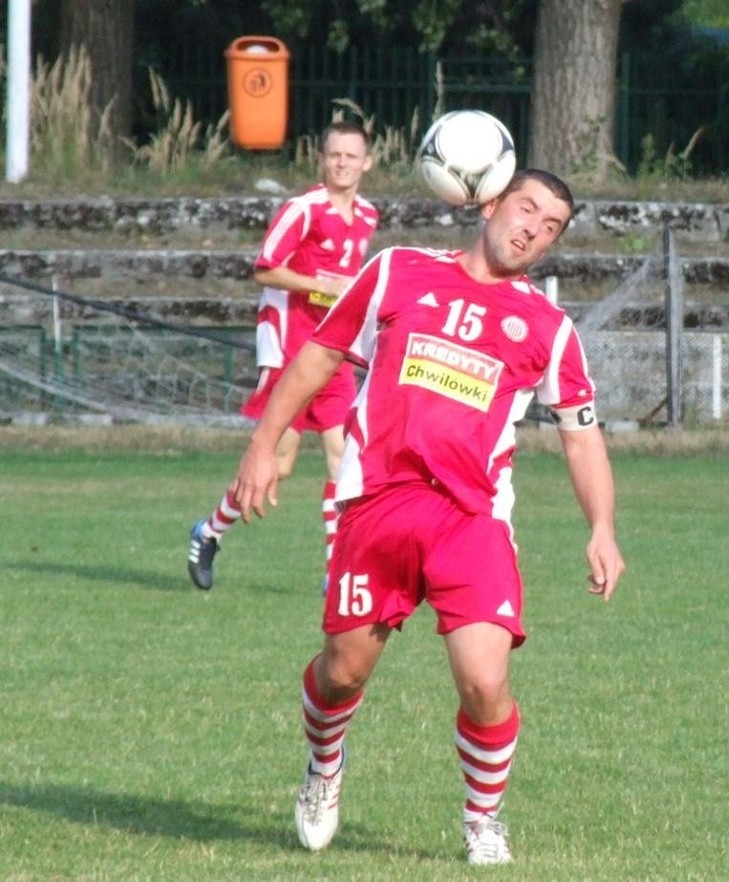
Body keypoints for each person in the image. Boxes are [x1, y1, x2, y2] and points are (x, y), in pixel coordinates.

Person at [229, 169, 625, 865]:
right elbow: (320, 355)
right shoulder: (396, 271)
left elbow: (581, 432)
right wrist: (263, 444)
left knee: (485, 679)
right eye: (526, 208)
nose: (532, 227)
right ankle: (324, 767)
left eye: (551, 225)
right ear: (492, 203)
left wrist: (602, 528)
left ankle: (483, 818)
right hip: (376, 503)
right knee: (343, 672)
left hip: (470, 519)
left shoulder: (550, 329)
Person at [187, 120, 378, 591]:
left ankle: (335, 572)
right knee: (280, 463)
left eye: (351, 156)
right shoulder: (303, 209)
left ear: (366, 163)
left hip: (334, 353)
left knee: (342, 456)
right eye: (335, 155)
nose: (342, 163)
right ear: (322, 158)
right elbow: (266, 269)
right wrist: (320, 285)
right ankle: (209, 531)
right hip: (293, 351)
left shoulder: (368, 215)